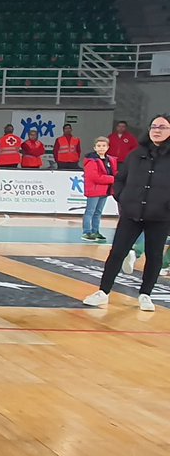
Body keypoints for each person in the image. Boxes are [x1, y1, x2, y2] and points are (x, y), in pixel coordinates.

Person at [84, 116, 170, 312]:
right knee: (117, 253)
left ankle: (145, 294)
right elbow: (120, 178)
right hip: (131, 213)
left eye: (162, 127)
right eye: (154, 126)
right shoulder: (136, 154)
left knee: (154, 256)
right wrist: (122, 197)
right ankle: (103, 292)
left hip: (160, 216)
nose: (157, 130)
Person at [81, 136, 117, 242]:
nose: (101, 148)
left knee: (98, 212)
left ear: (108, 147)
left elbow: (113, 172)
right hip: (94, 190)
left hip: (105, 190)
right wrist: (113, 179)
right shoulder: (91, 161)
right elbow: (95, 177)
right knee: (90, 211)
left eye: (104, 146)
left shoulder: (110, 160)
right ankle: (86, 232)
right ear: (95, 148)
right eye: (99, 146)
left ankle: (95, 231)